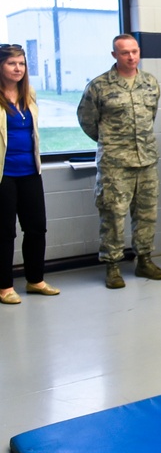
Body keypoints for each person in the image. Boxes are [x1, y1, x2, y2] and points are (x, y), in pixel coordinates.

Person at [77, 34, 161, 289]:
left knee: (147, 215)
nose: (131, 56)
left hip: (147, 160)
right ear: (115, 55)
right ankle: (113, 266)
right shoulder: (99, 86)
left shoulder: (150, 82)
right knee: (113, 216)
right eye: (125, 52)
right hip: (115, 164)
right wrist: (111, 141)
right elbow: (87, 121)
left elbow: (151, 115)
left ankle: (144, 260)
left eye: (135, 51)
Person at [0, 44, 59, 305]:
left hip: (30, 171)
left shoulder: (29, 94)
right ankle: (4, 287)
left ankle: (35, 280)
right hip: (3, 174)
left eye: (21, 64)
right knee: (4, 232)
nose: (17, 68)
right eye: (11, 63)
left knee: (36, 228)